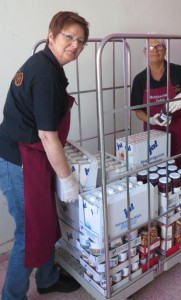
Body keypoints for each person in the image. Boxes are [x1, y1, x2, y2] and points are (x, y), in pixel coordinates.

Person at [0, 11, 89, 299]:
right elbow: (48, 136)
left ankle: (48, 278)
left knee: (47, 219)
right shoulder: (45, 74)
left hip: (30, 155)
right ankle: (12, 295)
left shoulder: (45, 64)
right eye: (69, 37)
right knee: (30, 231)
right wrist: (68, 178)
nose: (75, 45)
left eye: (81, 41)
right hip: (19, 160)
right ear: (51, 35)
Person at [131, 37, 181, 168]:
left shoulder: (178, 71)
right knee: (155, 163)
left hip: (179, 126)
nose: (155, 51)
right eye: (150, 48)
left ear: (165, 50)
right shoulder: (140, 79)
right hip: (153, 129)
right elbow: (138, 111)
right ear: (145, 52)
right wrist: (151, 120)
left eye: (159, 47)